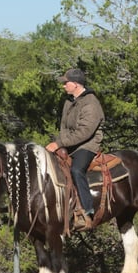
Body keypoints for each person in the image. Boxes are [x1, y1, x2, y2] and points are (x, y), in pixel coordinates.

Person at [45, 68, 104, 230]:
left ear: (76, 84)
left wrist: (59, 143)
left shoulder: (91, 103)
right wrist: (61, 144)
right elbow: (64, 127)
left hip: (87, 145)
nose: (64, 85)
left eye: (66, 83)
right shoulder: (69, 101)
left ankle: (87, 211)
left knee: (77, 170)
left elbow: (85, 132)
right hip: (69, 144)